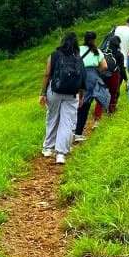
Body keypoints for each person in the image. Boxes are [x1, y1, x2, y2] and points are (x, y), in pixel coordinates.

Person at [40, 32, 86, 165]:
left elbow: (47, 74)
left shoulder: (54, 55)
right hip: (72, 93)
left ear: (63, 41)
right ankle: (60, 154)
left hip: (54, 91)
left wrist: (42, 93)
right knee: (67, 122)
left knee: (52, 118)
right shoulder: (78, 58)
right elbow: (83, 78)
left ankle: (48, 148)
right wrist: (81, 96)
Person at [74, 31, 109, 143]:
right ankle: (78, 133)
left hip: (77, 77)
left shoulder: (78, 49)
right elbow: (104, 66)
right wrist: (96, 72)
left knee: (74, 103)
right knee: (85, 105)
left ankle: (71, 129)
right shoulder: (97, 51)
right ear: (94, 39)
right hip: (91, 78)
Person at [93, 35, 125, 126]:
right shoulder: (119, 54)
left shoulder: (102, 52)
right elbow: (122, 69)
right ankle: (111, 112)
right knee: (113, 93)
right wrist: (126, 79)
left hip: (102, 74)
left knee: (100, 95)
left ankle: (97, 120)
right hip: (114, 75)